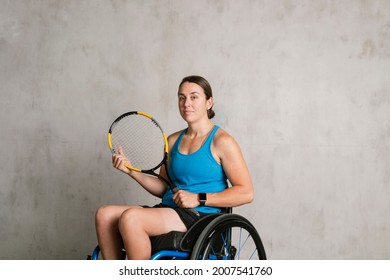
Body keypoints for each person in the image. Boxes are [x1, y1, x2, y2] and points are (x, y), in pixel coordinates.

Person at [95, 75, 254, 260]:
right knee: (104, 215)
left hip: (199, 216)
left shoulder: (222, 142)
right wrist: (130, 171)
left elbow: (246, 193)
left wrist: (198, 198)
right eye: (182, 97)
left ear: (209, 102)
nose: (187, 103)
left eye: (194, 97)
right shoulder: (172, 141)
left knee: (131, 218)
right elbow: (164, 187)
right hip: (169, 209)